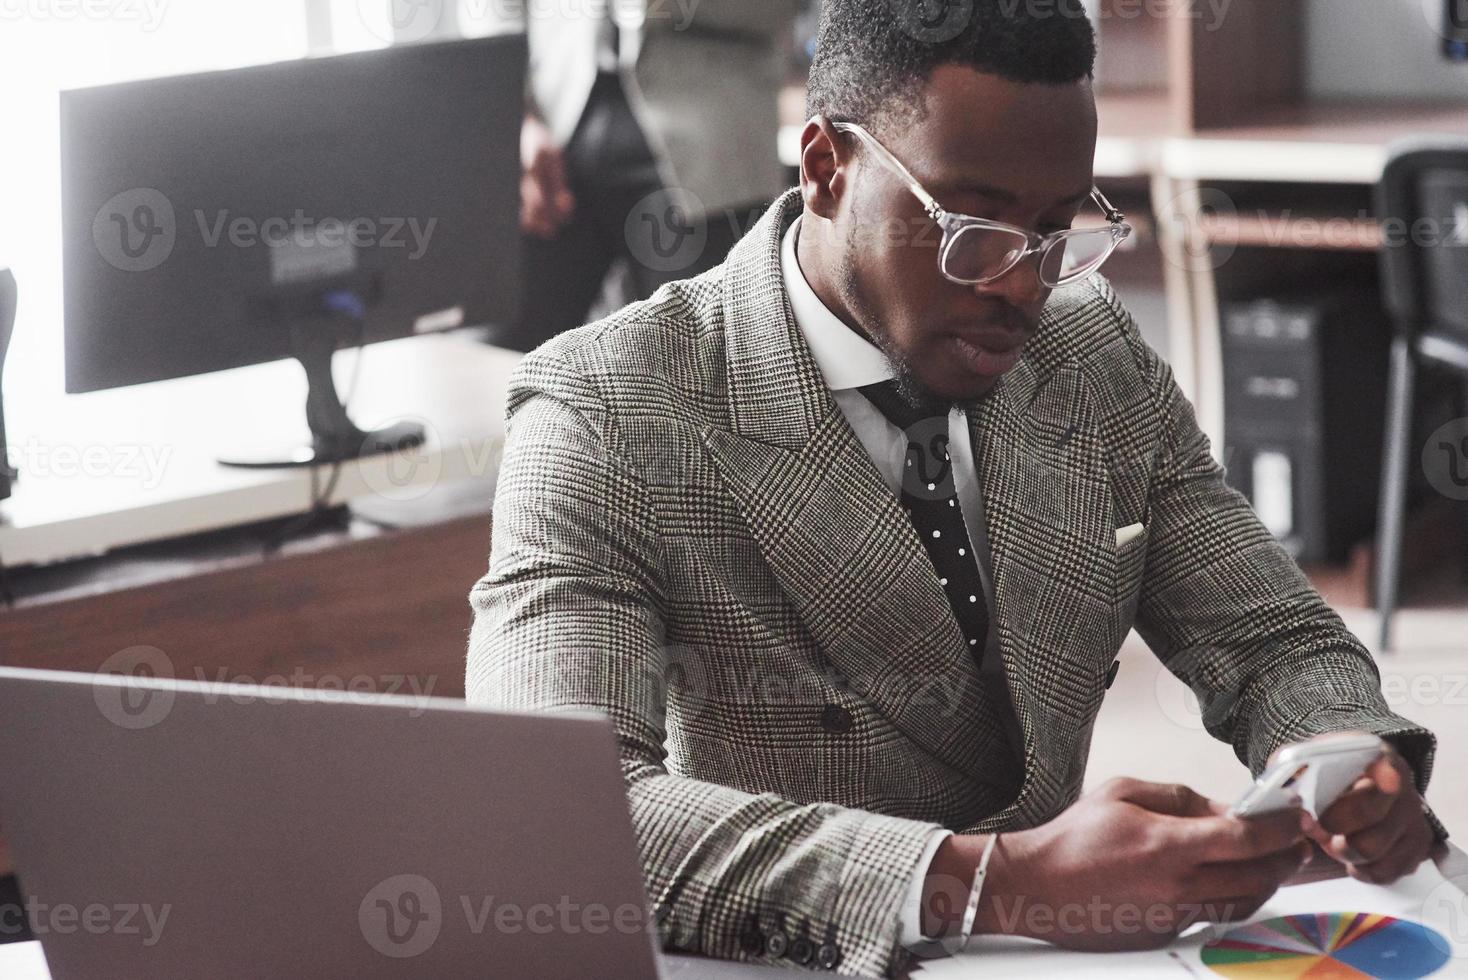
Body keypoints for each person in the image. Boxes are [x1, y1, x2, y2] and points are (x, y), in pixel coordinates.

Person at [466, 1, 1444, 975]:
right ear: (823, 169)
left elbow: (1267, 637)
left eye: (1057, 228)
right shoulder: (607, 405)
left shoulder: (1089, 347)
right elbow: (551, 813)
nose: (1023, 284)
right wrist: (990, 880)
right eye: (972, 228)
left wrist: (1343, 746)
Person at [504, 0, 794, 352]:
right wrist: (513, 112)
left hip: (710, 146)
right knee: (492, 352)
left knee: (702, 366)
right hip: (552, 132)